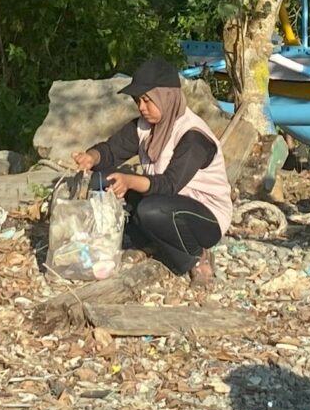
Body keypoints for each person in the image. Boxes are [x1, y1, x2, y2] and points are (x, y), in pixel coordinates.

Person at [71, 58, 235, 283]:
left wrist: (129, 181)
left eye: (148, 101)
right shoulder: (144, 126)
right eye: (138, 100)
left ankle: (195, 256)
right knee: (100, 180)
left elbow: (169, 185)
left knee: (151, 210)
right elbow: (111, 151)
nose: (142, 107)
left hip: (203, 217)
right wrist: (91, 157)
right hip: (164, 202)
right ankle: (149, 243)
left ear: (166, 98)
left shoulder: (193, 136)